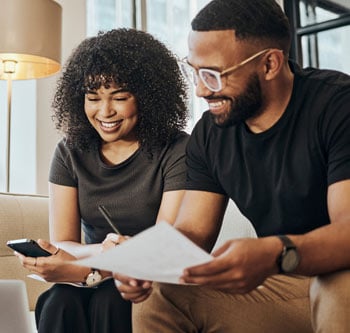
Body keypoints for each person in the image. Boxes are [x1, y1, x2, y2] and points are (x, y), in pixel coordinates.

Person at [114, 1, 350, 332]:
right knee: (161, 293)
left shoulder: (338, 107)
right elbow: (192, 232)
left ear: (270, 64)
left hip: (341, 276)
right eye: (193, 71)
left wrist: (272, 253)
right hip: (289, 287)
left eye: (212, 75)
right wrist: (146, 263)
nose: (199, 90)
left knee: (339, 285)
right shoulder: (211, 133)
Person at [14, 28, 189, 333]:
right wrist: (98, 254)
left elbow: (165, 243)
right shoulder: (70, 151)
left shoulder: (177, 150)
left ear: (147, 97)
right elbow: (62, 244)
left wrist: (83, 260)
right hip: (91, 274)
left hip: (153, 276)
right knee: (58, 299)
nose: (105, 111)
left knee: (113, 299)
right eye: (93, 98)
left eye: (120, 98)